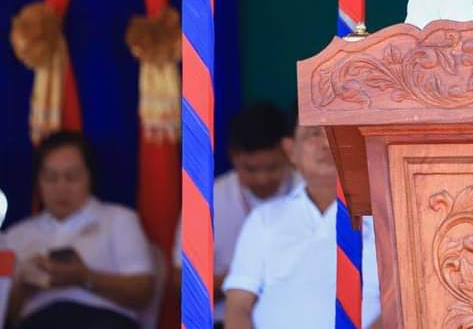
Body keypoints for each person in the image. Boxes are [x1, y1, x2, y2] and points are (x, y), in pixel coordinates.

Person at [223, 122, 380, 329]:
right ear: (290, 150)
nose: (326, 143)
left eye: (336, 133)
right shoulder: (264, 218)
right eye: (314, 133)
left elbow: (400, 301)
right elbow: (238, 305)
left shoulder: (385, 220)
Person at [3, 132, 154, 329]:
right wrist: (23, 289)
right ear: (38, 181)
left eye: (72, 177)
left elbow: (143, 292)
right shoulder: (15, 236)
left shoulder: (119, 220)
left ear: (90, 177)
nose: (61, 187)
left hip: (104, 322)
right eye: (51, 178)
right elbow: (4, 316)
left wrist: (84, 277)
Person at [172, 102, 297, 323]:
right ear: (233, 156)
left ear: (289, 152)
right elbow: (181, 282)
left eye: (272, 168)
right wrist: (247, 279)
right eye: (251, 169)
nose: (262, 179)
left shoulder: (307, 190)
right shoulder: (208, 200)